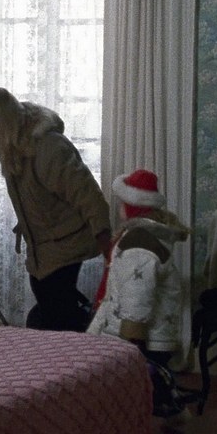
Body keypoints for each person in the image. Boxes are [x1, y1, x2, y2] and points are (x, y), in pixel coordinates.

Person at [0, 87, 111, 332]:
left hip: (67, 241)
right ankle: (76, 340)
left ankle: (80, 346)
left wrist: (106, 241)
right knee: (51, 303)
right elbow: (32, 195)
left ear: (4, 118)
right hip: (44, 243)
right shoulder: (14, 145)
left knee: (55, 310)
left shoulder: (48, 147)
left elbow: (88, 194)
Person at [85, 169, 193, 418]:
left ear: (131, 207)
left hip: (142, 334)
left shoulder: (139, 244)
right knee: (153, 383)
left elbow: (137, 295)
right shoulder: (144, 237)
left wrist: (132, 340)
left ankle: (159, 415)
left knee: (136, 385)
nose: (119, 208)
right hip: (153, 332)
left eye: (122, 203)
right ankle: (172, 412)